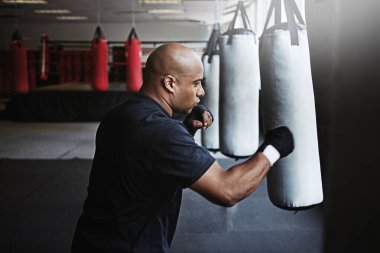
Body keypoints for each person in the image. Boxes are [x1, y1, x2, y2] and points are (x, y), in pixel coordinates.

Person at [71, 43, 294, 253]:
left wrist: (185, 130)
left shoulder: (119, 114)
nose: (202, 92)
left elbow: (146, 162)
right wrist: (274, 146)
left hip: (91, 241)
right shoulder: (163, 133)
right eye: (196, 83)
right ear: (170, 83)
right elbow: (228, 190)